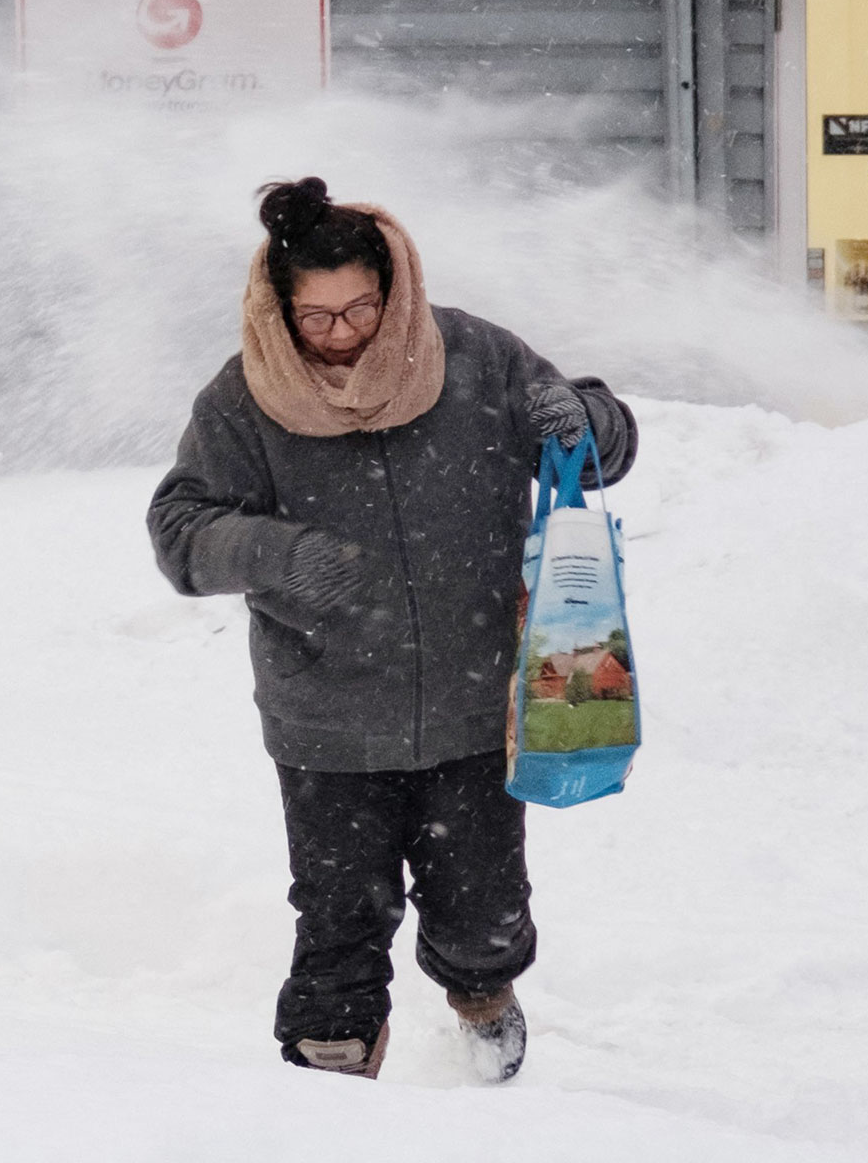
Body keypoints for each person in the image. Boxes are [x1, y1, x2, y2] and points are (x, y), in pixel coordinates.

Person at [149, 178, 635, 1085]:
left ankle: (485, 1003)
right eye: (316, 318)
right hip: (326, 716)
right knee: (338, 913)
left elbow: (601, 445)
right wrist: (270, 553)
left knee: (480, 909)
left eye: (361, 309)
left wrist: (587, 420)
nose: (342, 336)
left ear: (395, 288)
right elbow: (180, 530)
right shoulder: (244, 396)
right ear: (278, 308)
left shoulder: (475, 359)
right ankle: (331, 1073)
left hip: (473, 704)